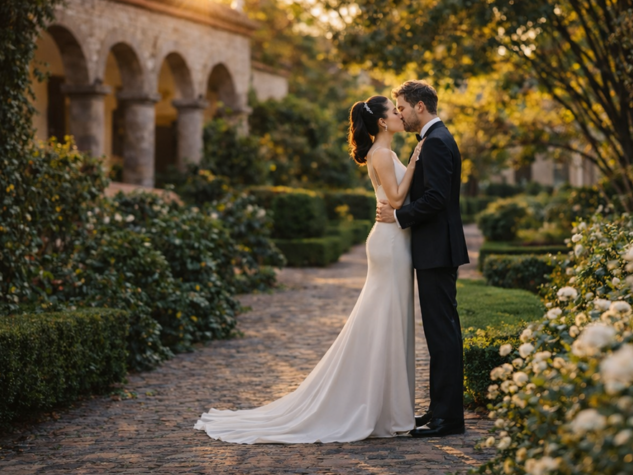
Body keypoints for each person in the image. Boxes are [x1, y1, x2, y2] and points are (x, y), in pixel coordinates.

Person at [193, 95, 424, 443]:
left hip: (393, 241)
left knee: (386, 320)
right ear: (381, 121)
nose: (398, 116)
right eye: (394, 112)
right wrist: (417, 164)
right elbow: (394, 200)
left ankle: (389, 407)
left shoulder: (385, 153)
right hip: (390, 243)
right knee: (384, 320)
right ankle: (381, 409)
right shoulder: (381, 154)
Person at [375, 80, 469, 438]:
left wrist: (399, 217)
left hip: (437, 251)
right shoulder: (434, 140)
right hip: (434, 250)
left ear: (419, 106)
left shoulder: (437, 142)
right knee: (440, 333)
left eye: (401, 106)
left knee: (442, 334)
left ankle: (449, 420)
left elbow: (437, 200)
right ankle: (440, 410)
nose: (398, 112)